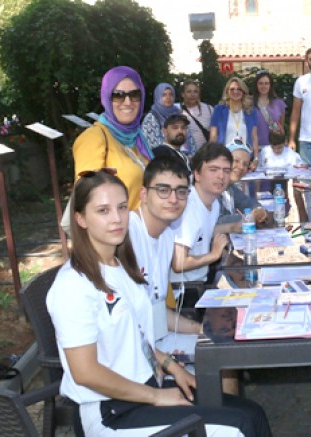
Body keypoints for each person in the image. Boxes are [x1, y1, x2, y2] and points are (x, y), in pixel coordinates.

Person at [47, 169, 271, 436]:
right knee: (239, 426)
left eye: (121, 207)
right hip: (111, 412)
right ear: (81, 219)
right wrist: (156, 396)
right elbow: (85, 373)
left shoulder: (120, 267)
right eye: (103, 211)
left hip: (144, 389)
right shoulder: (73, 285)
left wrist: (172, 367)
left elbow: (137, 338)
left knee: (252, 413)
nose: (117, 218)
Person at [128, 154, 203, 353]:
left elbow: (159, 313)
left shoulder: (168, 235)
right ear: (144, 194)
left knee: (220, 346)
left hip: (160, 340)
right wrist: (166, 362)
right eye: (163, 190)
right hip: (133, 351)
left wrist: (201, 329)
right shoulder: (126, 235)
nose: (173, 199)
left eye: (181, 191)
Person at [73, 66, 153, 211]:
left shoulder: (138, 138)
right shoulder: (93, 138)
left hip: (147, 224)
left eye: (134, 94)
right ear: (106, 97)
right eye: (118, 95)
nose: (127, 102)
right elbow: (89, 200)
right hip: (119, 225)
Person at [171, 143, 233, 283]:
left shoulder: (214, 203)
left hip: (201, 281)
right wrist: (214, 255)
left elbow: (203, 230)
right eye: (213, 169)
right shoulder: (188, 207)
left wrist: (234, 227)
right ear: (197, 174)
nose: (221, 176)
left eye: (226, 171)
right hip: (183, 290)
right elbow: (179, 263)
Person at [210, 78, 260, 159]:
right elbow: (213, 136)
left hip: (246, 157)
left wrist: (256, 158)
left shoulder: (251, 111)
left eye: (239, 89)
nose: (235, 92)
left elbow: (254, 136)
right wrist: (211, 156)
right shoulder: (219, 109)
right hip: (224, 156)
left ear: (243, 92)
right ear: (227, 91)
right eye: (232, 89)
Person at [220, 141, 267, 223]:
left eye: (245, 164)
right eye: (236, 161)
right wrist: (249, 217)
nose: (241, 167)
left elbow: (248, 203)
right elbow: (217, 222)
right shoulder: (212, 188)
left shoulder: (230, 188)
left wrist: (259, 210)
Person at [252, 70, 287, 148]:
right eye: (260, 83)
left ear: (270, 85)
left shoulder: (279, 103)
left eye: (266, 83)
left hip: (275, 146)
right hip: (256, 147)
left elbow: (281, 127)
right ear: (256, 85)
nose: (263, 86)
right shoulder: (250, 104)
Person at [142, 83, 181, 150]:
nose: (168, 97)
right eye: (164, 95)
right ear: (158, 97)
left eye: (171, 94)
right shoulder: (151, 118)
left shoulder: (178, 114)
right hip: (161, 155)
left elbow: (188, 138)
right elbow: (152, 145)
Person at [180, 80, 214, 157]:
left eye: (195, 91)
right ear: (183, 94)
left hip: (208, 155)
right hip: (189, 156)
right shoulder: (178, 112)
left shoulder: (209, 109)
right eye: (189, 91)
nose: (192, 95)